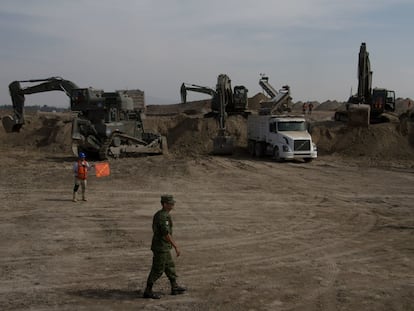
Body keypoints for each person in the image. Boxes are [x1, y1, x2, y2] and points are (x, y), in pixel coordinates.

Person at [143, 194, 186, 299]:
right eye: (170, 203)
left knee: (169, 266)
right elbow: (166, 234)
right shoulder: (162, 216)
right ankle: (148, 291)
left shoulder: (164, 214)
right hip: (160, 247)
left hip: (164, 247)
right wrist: (176, 246)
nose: (172, 205)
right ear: (165, 204)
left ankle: (174, 287)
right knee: (157, 269)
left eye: (172, 203)